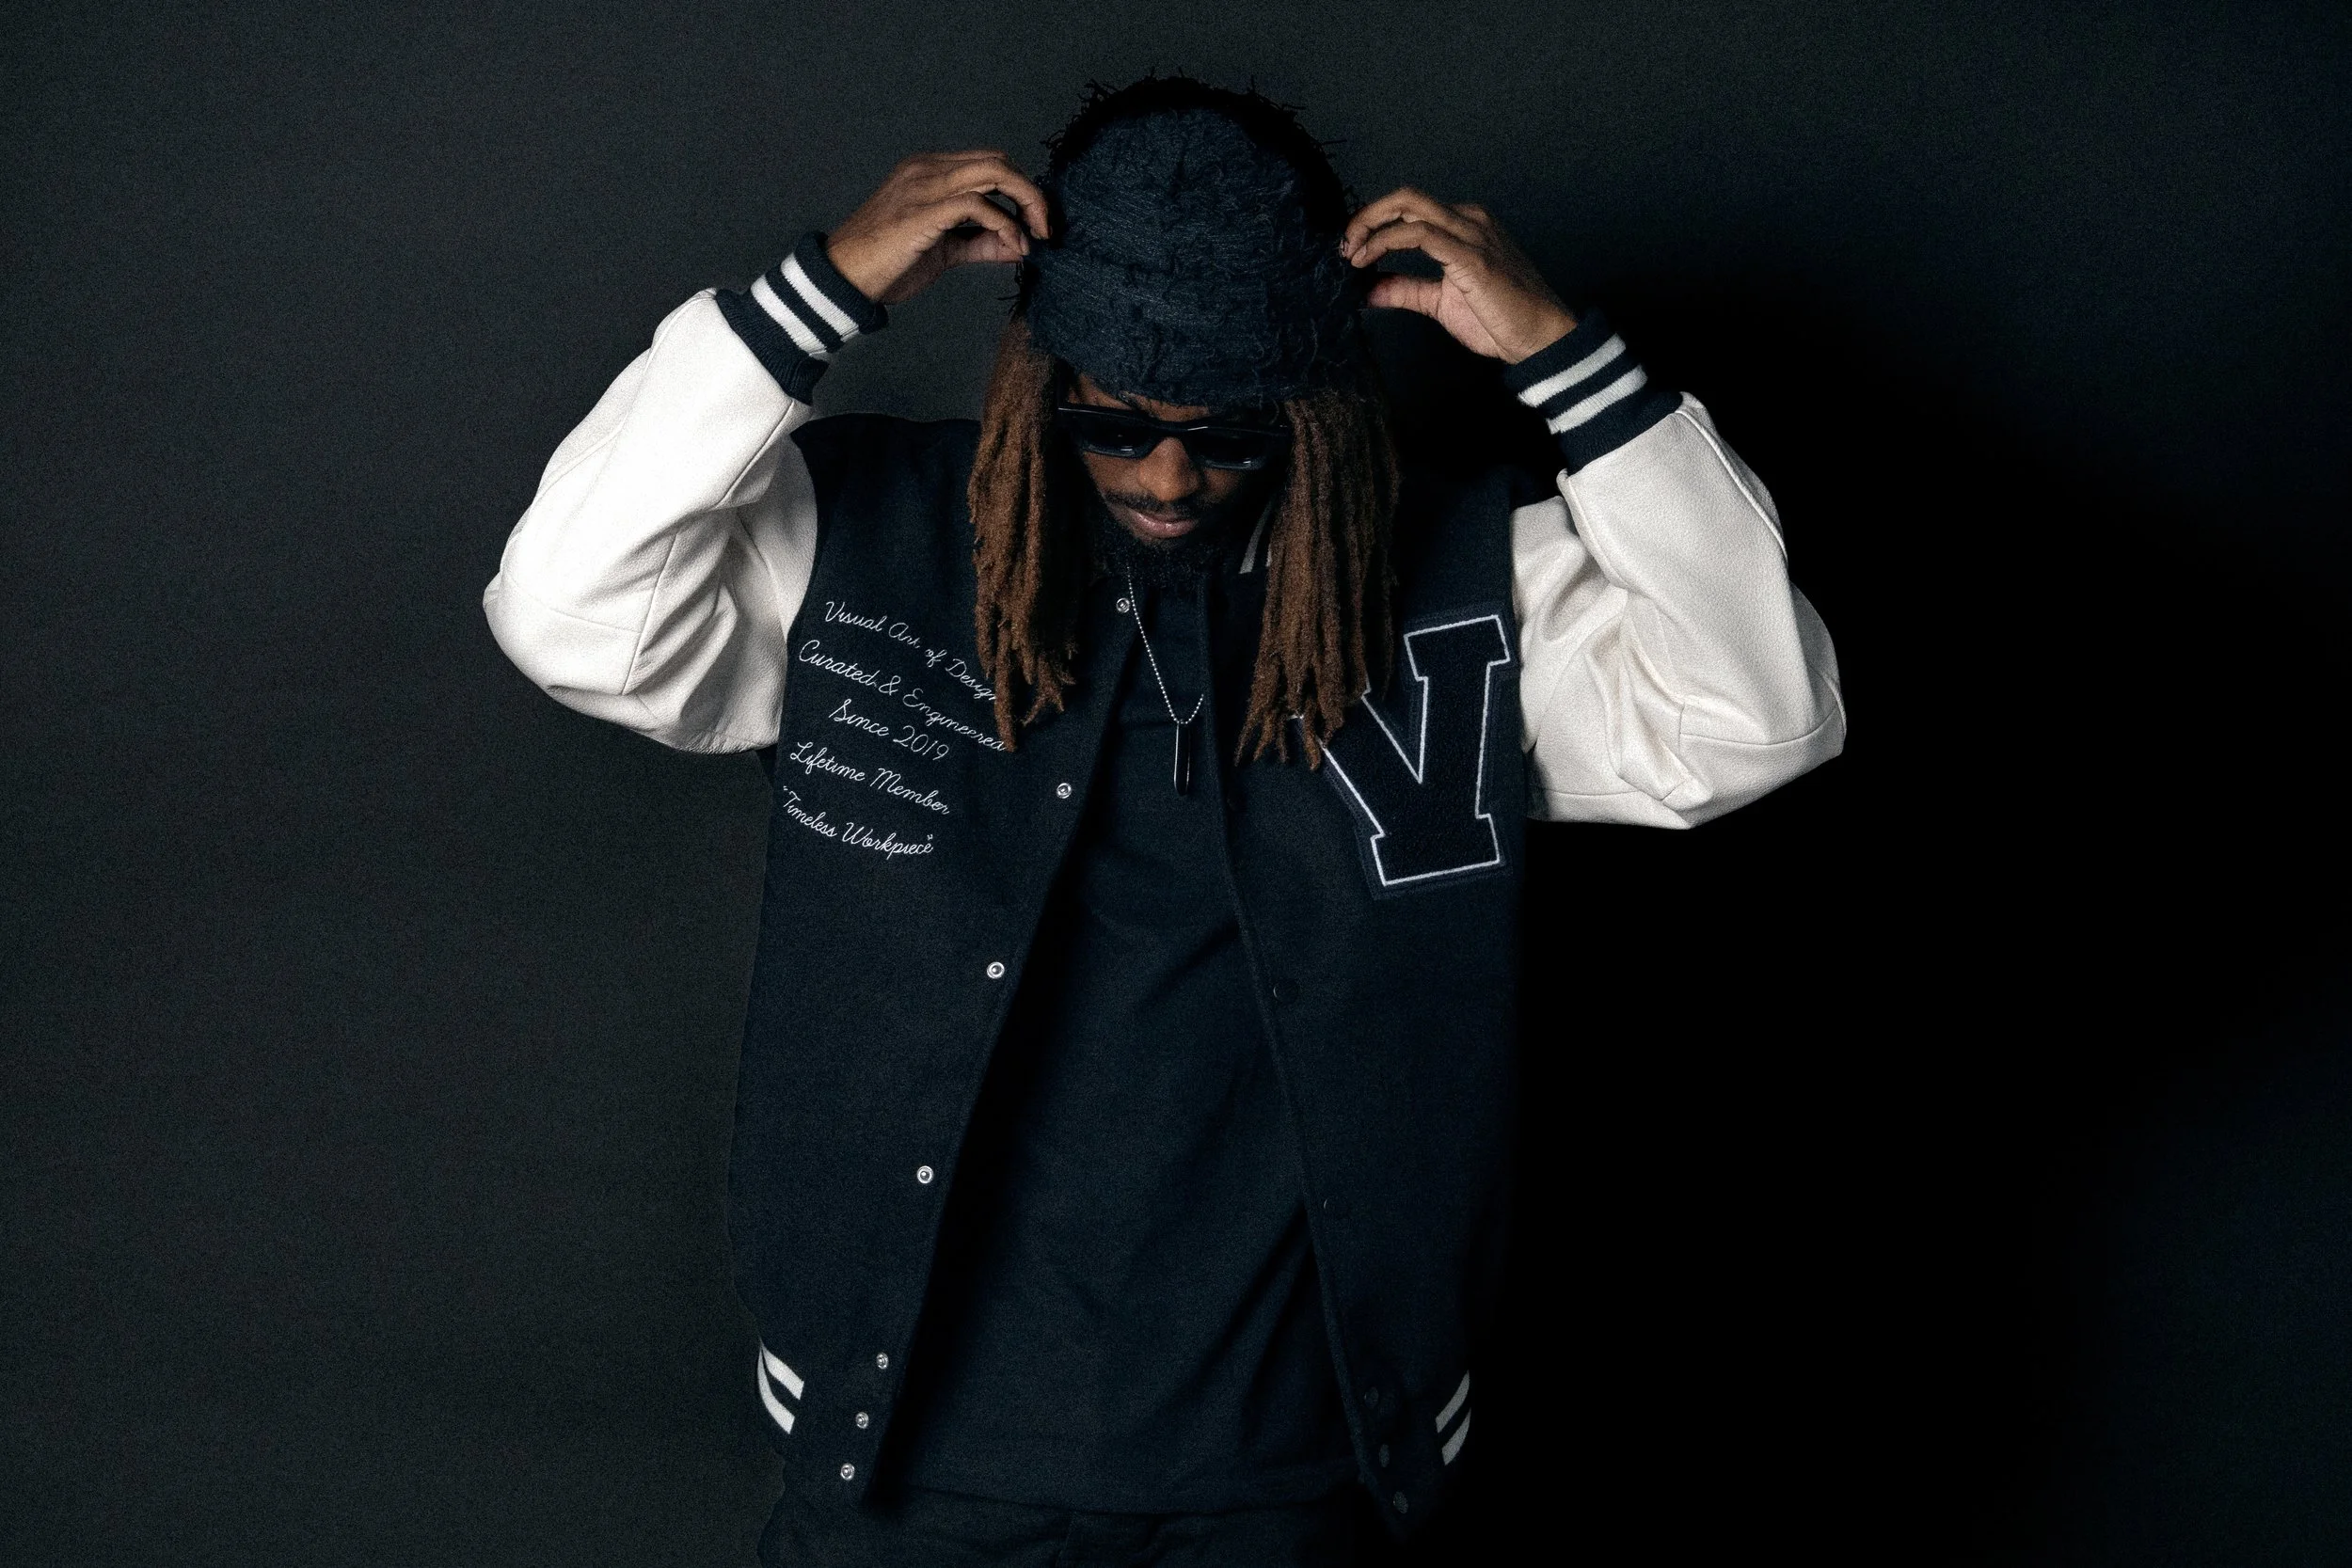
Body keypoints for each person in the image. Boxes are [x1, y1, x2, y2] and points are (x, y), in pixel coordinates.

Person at [485, 72, 1843, 1568]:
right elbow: (566, 611)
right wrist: (809, 300)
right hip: (910, 1458)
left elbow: (1756, 719)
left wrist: (1571, 365)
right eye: (1112, 423)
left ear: (1313, 399)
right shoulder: (863, 541)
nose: (1171, 472)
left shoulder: (1464, 582)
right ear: (1039, 375)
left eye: (1232, 433)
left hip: (1298, 1464)